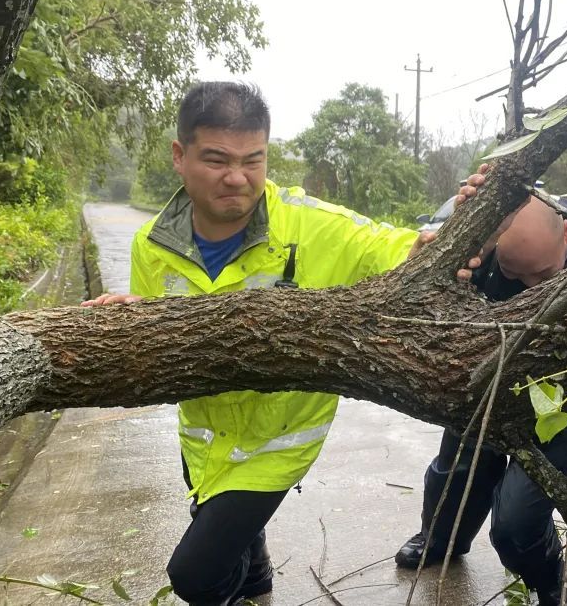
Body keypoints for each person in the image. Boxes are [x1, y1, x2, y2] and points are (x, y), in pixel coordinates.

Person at [84, 81, 484, 606]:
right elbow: (161, 333)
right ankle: (256, 577)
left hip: (277, 442)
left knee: (197, 576)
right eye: (217, 159)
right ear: (179, 156)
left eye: (254, 160)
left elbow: (399, 247)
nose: (237, 178)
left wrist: (464, 224)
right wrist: (131, 326)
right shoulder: (151, 244)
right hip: (202, 439)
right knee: (237, 547)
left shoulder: (312, 225)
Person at [395, 197, 567, 606]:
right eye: (514, 274)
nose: (528, 289)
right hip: (492, 381)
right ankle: (441, 540)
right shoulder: (479, 253)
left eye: (541, 274)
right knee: (456, 472)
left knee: (517, 520)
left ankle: (550, 582)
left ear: (566, 232)